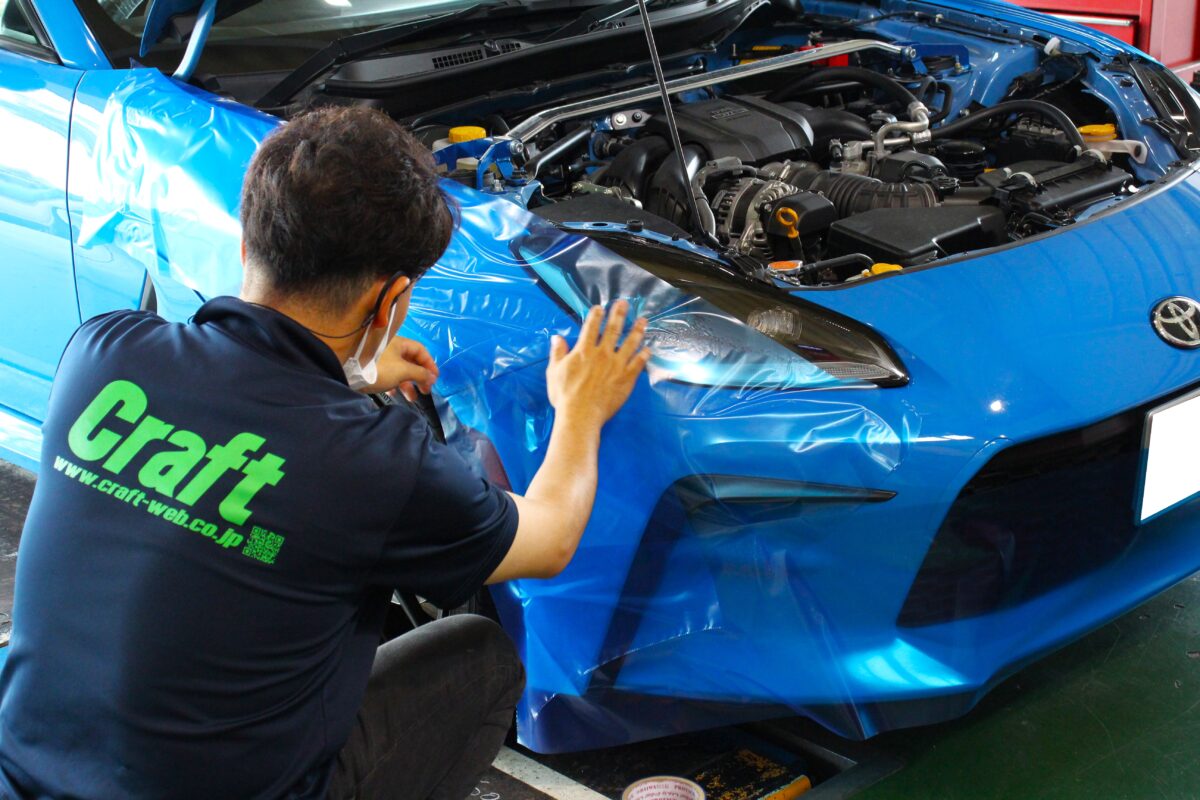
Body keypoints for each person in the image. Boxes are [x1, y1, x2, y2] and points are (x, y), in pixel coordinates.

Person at [0, 106, 649, 799]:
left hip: (21, 774)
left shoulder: (104, 350)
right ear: (391, 300)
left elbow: (238, 411)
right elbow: (550, 538)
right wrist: (581, 408)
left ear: (248, 243)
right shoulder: (375, 464)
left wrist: (346, 371)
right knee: (480, 659)